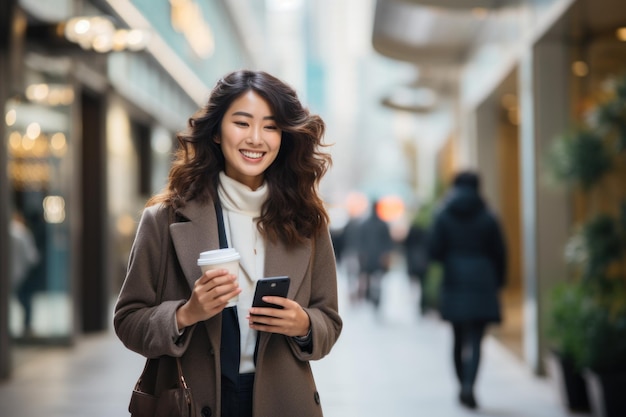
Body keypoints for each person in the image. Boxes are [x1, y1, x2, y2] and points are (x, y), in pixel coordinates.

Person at [114, 70, 342, 417]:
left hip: (283, 401)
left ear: (284, 137)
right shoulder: (164, 218)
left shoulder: (307, 222)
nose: (256, 138)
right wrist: (185, 313)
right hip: (189, 400)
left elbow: (329, 321)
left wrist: (304, 326)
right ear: (217, 131)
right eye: (242, 123)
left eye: (270, 126)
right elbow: (128, 320)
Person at [426, 171, 507, 410]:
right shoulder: (488, 215)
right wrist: (498, 281)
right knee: (477, 340)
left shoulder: (443, 214)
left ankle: (462, 385)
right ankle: (470, 386)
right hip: (483, 280)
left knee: (457, 339)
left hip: (454, 280)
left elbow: (434, 251)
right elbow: (500, 253)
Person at [356, 199, 394, 309]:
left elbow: (360, 242)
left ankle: (371, 299)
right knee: (376, 281)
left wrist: (361, 255)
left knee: (369, 280)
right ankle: (375, 300)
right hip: (378, 258)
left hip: (369, 258)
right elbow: (388, 243)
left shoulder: (365, 224)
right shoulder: (382, 224)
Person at [403, 214, 429, 315]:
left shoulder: (412, 231)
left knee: (413, 284)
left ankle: (415, 302)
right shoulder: (427, 230)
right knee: (422, 286)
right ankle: (422, 305)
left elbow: (405, 245)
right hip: (423, 260)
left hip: (413, 261)